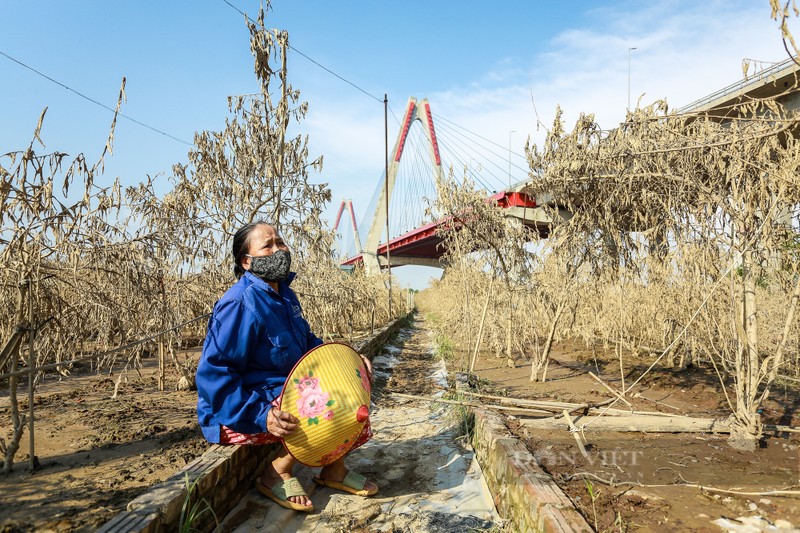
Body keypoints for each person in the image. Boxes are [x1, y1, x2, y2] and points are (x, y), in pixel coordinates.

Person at [196, 221, 378, 513]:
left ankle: (334, 470)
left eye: (280, 242)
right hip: (238, 409)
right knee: (319, 405)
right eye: (267, 246)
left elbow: (308, 344)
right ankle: (276, 472)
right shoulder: (240, 304)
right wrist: (261, 415)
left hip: (282, 389)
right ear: (246, 261)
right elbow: (214, 375)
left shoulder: (284, 295)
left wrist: (352, 362)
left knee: (352, 390)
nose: (278, 250)